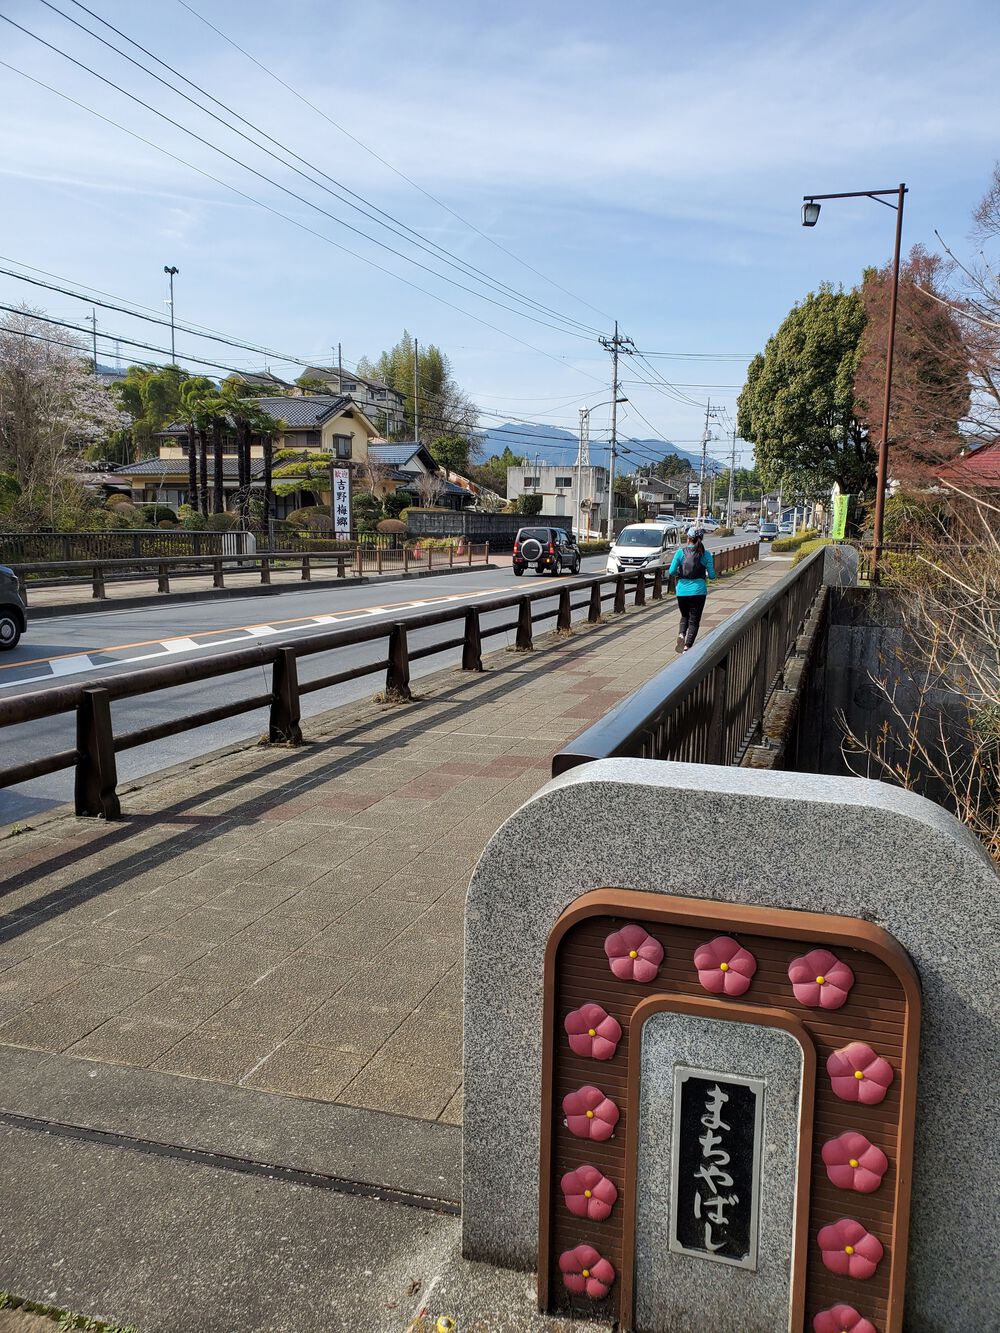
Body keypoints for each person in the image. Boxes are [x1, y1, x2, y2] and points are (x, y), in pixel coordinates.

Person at [668, 526, 716, 652]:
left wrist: (680, 573)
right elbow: (712, 575)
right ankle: (686, 647)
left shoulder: (680, 553)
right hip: (699, 591)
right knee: (694, 620)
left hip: (682, 591)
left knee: (685, 616)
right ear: (701, 539)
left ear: (688, 538)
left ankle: (681, 634)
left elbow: (671, 571)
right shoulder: (706, 554)